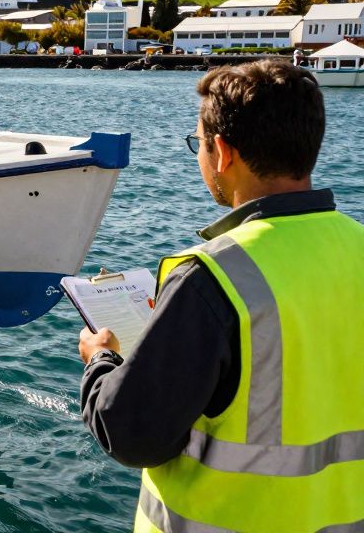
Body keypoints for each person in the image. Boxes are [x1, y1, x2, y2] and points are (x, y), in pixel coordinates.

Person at [77, 59, 364, 531]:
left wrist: (99, 360)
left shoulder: (214, 277)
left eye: (199, 145)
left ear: (223, 152)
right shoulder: (355, 247)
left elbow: (130, 432)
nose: (200, 158)